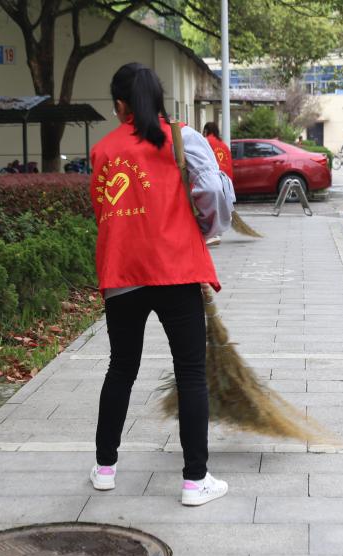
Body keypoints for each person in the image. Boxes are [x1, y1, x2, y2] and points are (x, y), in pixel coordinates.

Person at [89, 63, 234, 505]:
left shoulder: (103, 150)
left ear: (120, 105)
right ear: (157, 99)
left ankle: (105, 468)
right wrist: (207, 229)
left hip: (122, 272)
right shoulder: (182, 138)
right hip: (175, 269)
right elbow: (212, 191)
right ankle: (194, 481)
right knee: (190, 372)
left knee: (121, 368)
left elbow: (101, 208)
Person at [202, 121, 233, 246]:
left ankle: (213, 234)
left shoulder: (205, 141)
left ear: (206, 131)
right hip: (225, 180)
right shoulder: (223, 145)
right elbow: (229, 165)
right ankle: (216, 233)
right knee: (220, 207)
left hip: (211, 178)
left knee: (210, 207)